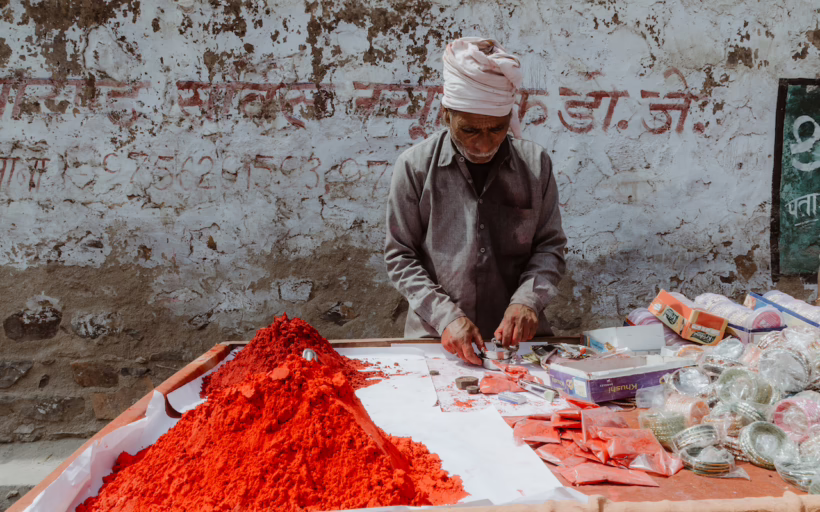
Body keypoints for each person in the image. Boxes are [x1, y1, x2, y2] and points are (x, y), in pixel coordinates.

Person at [384, 37, 567, 365]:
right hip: (438, 339)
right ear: (445, 115)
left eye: (496, 130)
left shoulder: (536, 166)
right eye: (470, 131)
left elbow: (549, 248)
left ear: (509, 117)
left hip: (518, 342)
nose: (484, 144)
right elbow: (400, 256)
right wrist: (446, 318)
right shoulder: (414, 167)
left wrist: (527, 301)